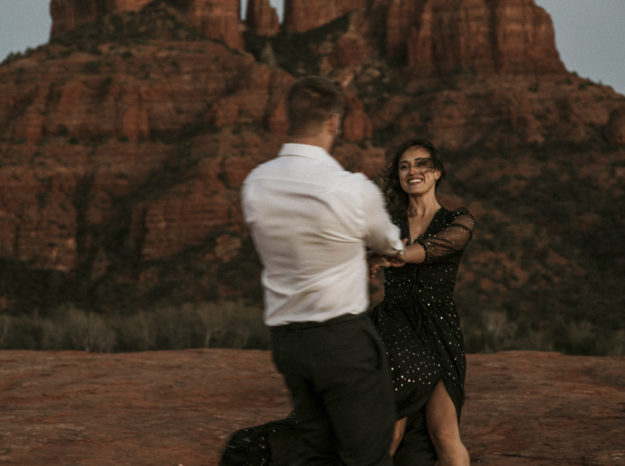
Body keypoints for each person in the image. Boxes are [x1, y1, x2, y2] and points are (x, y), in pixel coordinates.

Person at [231, 76, 404, 465]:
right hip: (342, 340)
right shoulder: (351, 189)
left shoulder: (255, 184)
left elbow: (298, 242)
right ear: (333, 123)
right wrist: (373, 254)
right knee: (368, 454)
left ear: (286, 119)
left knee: (316, 447)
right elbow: (390, 243)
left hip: (289, 341)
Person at [368, 138, 475, 465]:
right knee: (389, 433)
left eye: (421, 164)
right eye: (404, 166)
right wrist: (371, 256)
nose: (412, 171)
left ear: (437, 172)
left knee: (444, 434)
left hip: (439, 332)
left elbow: (437, 247)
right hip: (395, 329)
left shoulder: (459, 220)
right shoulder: (387, 223)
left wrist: (398, 254)